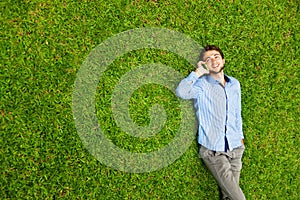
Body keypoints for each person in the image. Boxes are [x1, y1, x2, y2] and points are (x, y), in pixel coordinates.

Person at [176, 45, 246, 200]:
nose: (213, 60)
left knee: (228, 196)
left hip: (236, 147)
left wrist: (240, 138)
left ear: (223, 60)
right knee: (238, 198)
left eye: (216, 56)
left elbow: (236, 113)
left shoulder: (235, 84)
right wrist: (198, 73)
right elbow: (182, 91)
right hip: (214, 151)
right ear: (205, 65)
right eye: (208, 59)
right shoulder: (202, 86)